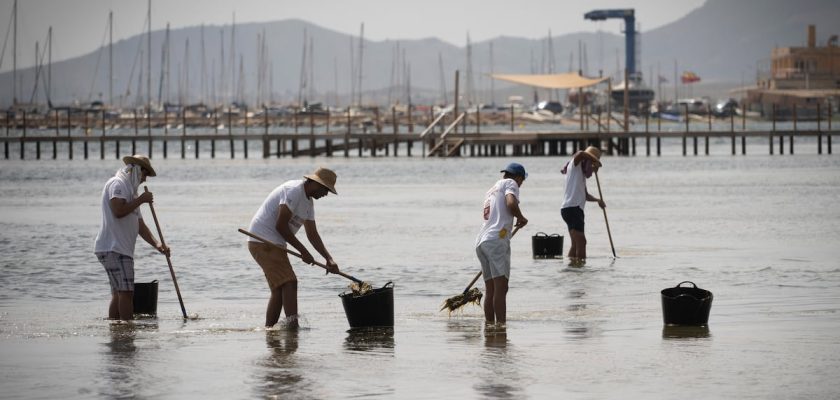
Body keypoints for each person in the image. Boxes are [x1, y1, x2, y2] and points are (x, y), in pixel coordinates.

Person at [247, 167, 341, 328]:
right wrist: (304, 252)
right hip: (263, 241)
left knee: (279, 288)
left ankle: (270, 330)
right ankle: (292, 327)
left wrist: (328, 258)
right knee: (290, 282)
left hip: (274, 243)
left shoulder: (308, 203)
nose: (325, 194)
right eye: (325, 189)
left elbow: (312, 234)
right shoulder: (293, 191)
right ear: (313, 183)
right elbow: (281, 226)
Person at [94, 154, 169, 321]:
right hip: (114, 248)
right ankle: (127, 334)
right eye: (145, 174)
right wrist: (141, 200)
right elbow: (118, 211)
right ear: (136, 170)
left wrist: (158, 245)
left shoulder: (131, 192)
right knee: (126, 293)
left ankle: (117, 332)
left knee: (119, 293)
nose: (145, 180)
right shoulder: (118, 184)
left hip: (117, 249)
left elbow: (140, 225)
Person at [475, 162, 528, 326]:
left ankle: (490, 328)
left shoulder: (492, 189)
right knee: (501, 288)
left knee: (490, 289)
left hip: (481, 241)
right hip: (496, 241)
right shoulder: (510, 183)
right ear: (518, 177)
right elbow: (511, 203)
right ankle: (501, 327)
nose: (521, 184)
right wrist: (520, 217)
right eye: (522, 181)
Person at [560, 146, 605, 262]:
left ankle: (572, 268)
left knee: (575, 244)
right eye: (590, 163)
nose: (591, 168)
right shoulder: (574, 165)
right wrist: (596, 160)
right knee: (582, 242)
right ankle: (580, 270)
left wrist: (598, 201)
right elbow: (580, 153)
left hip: (572, 209)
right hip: (573, 208)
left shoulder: (580, 174)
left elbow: (585, 195)